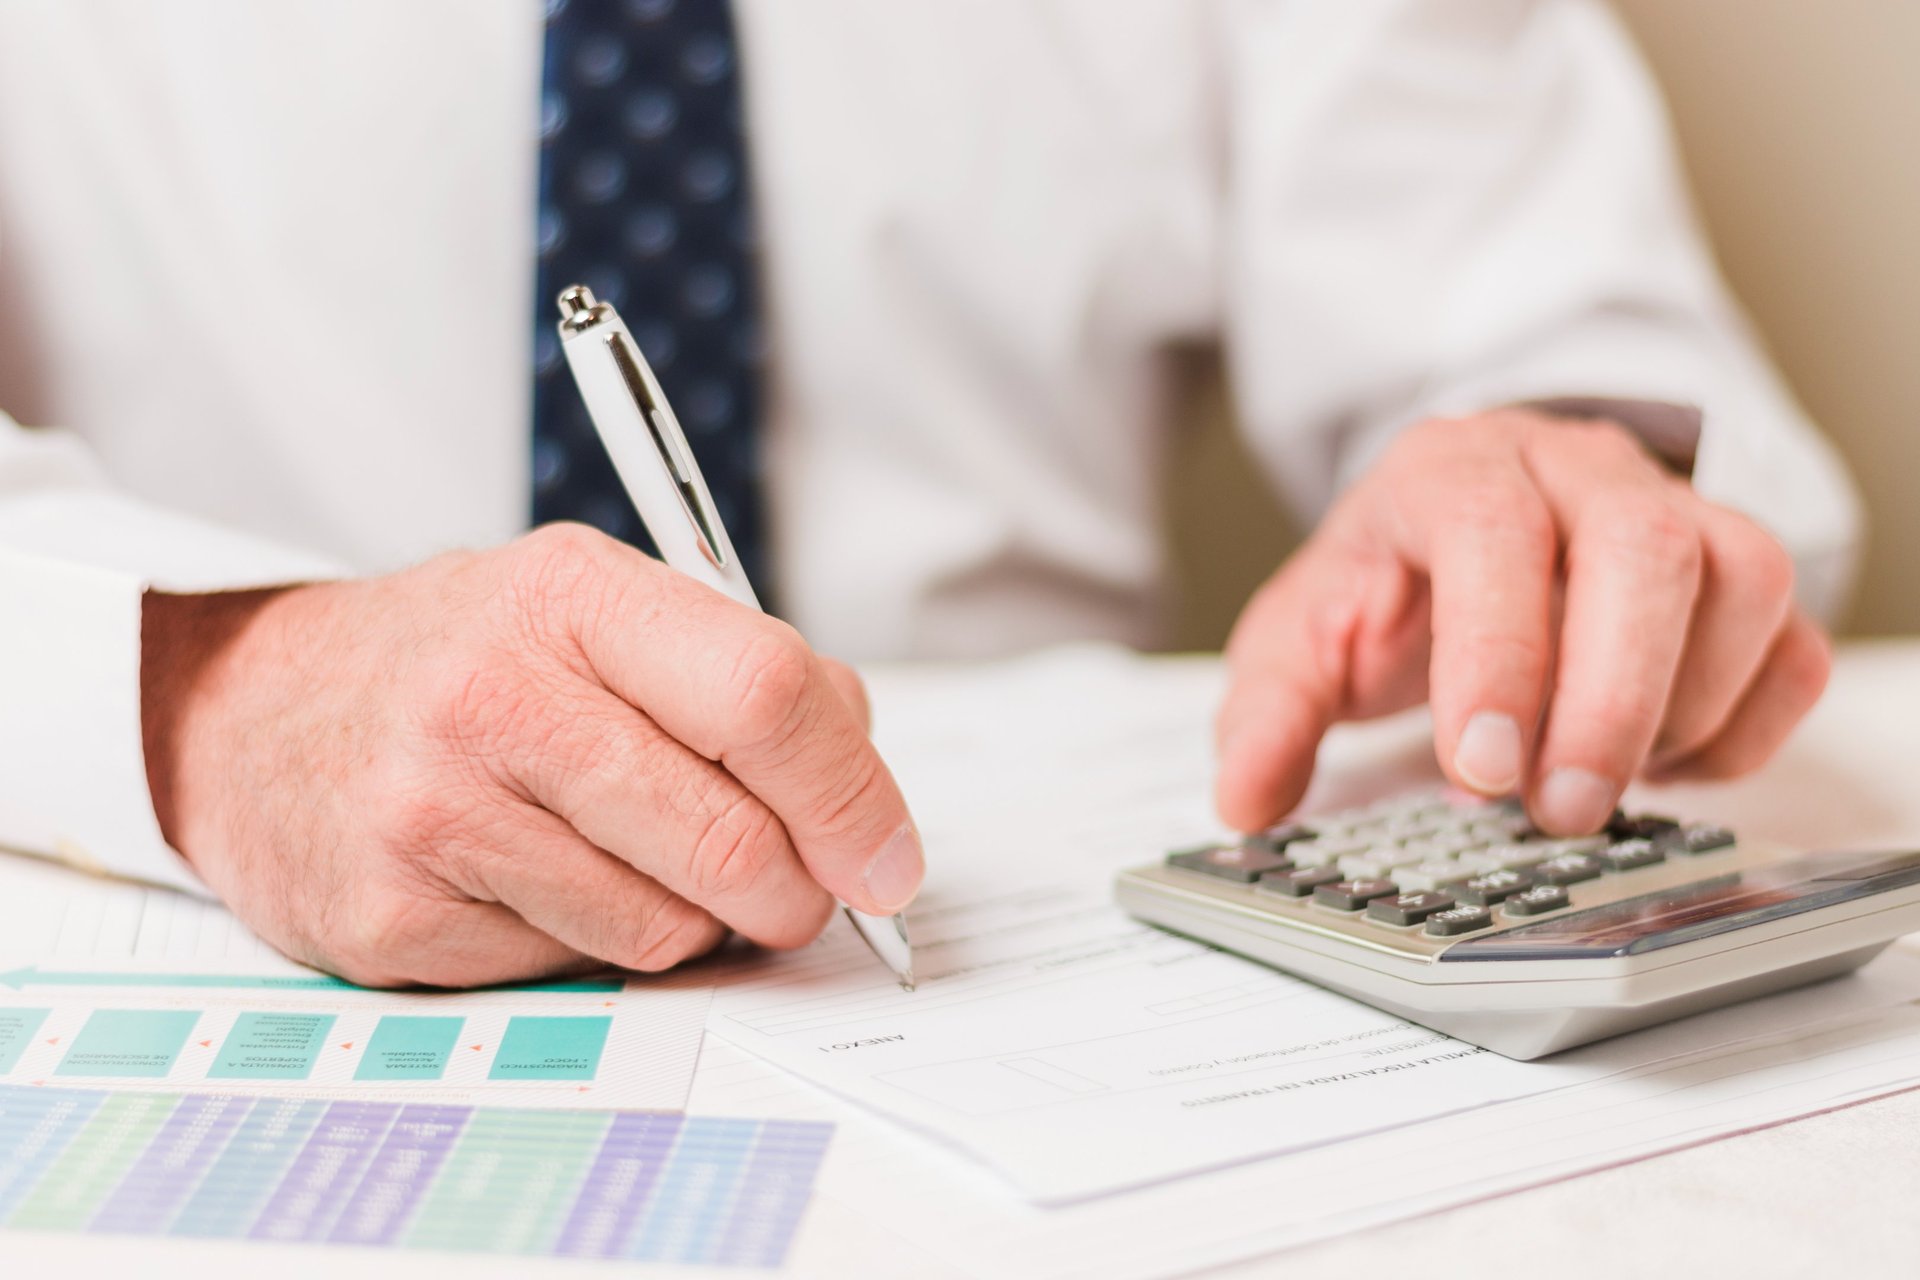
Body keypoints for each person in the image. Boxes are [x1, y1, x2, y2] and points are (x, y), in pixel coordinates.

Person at [0, 0, 1858, 987]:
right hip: (193, 929)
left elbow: (1558, 322)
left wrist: (1559, 493)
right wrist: (212, 691)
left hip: (1030, 936)